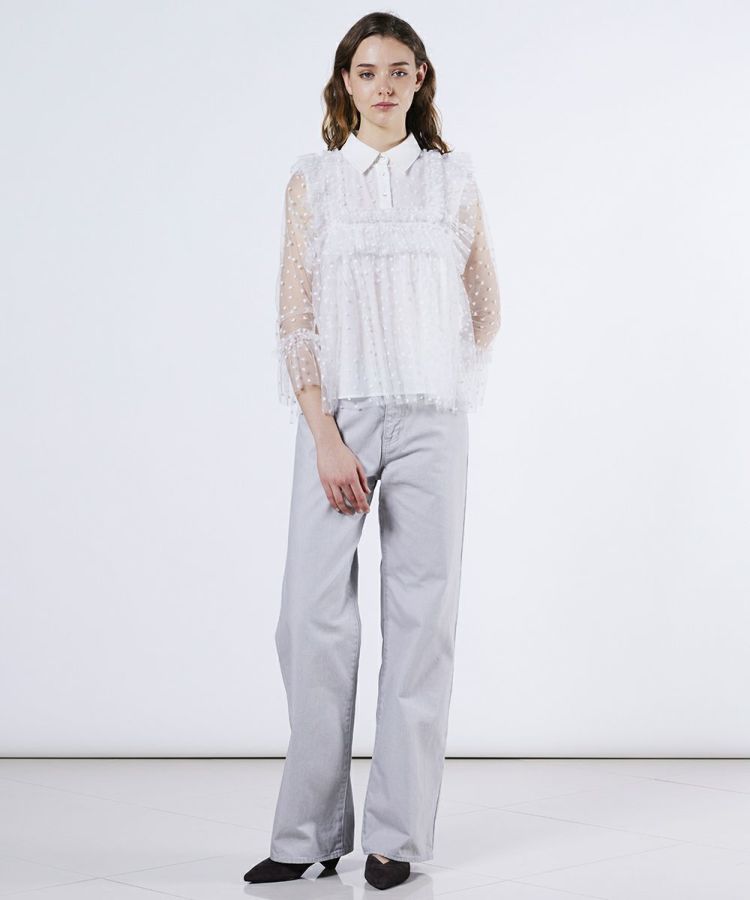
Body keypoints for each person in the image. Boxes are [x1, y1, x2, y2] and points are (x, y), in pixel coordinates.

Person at [244, 10, 501, 891]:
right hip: (339, 416)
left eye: (398, 70)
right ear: (344, 83)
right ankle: (309, 835)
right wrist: (326, 433)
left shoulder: (453, 181)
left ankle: (397, 836)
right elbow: (295, 317)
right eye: (366, 71)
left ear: (419, 79)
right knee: (310, 619)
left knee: (422, 623)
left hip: (433, 415)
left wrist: (433, 370)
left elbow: (486, 305)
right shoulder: (313, 182)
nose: (382, 85)